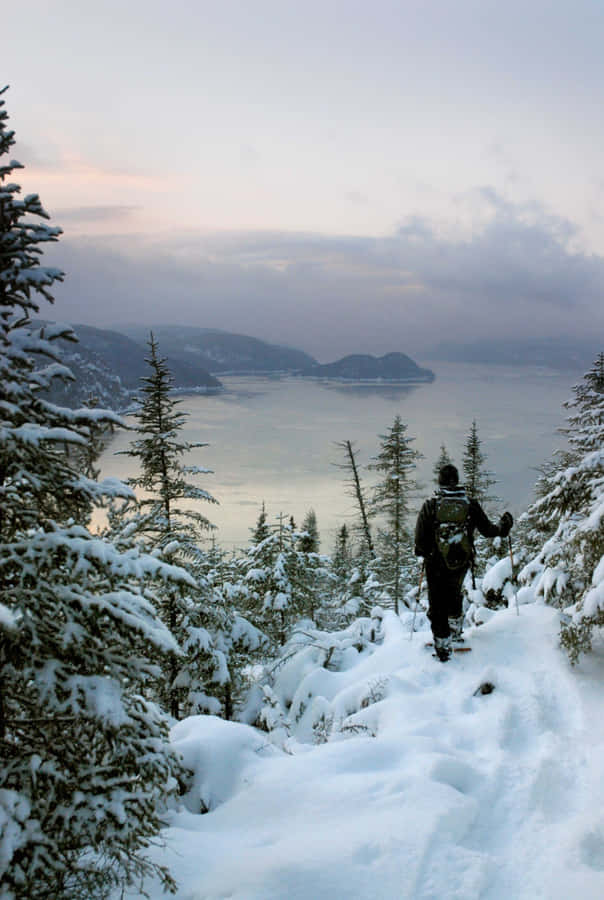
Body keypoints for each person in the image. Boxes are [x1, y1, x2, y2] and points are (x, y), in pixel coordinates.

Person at [414, 463, 513, 661]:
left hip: (436, 564)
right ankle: (455, 633)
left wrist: (427, 552)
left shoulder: (431, 505)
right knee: (454, 595)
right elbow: (488, 530)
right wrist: (504, 525)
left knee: (437, 603)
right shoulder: (469, 504)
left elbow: (420, 543)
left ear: (440, 482)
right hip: (461, 562)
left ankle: (443, 648)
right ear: (457, 480)